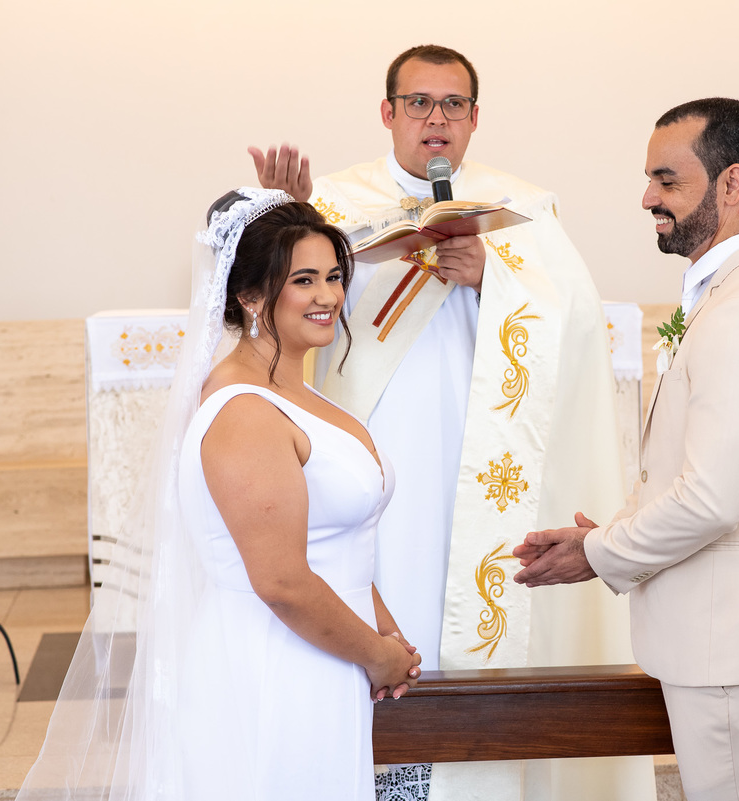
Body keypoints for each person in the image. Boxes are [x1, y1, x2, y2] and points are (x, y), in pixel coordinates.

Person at [251, 45, 631, 801]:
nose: (437, 120)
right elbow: (272, 306)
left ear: (476, 118)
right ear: (388, 113)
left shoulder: (525, 210)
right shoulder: (332, 205)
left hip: (488, 474)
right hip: (373, 467)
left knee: (472, 618)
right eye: (419, 103)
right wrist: (278, 218)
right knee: (388, 611)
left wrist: (498, 274)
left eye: (453, 104)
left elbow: (581, 321)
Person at [16, 188, 420, 801]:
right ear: (251, 296)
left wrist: (390, 642)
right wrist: (377, 655)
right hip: (274, 667)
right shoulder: (243, 413)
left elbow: (343, 547)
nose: (329, 298)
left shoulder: (299, 393)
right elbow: (282, 581)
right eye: (304, 280)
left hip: (326, 657)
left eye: (335, 278)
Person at [513, 98, 739, 801]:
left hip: (736, 646)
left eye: (667, 180)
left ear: (731, 183)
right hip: (726, 639)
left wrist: (599, 553)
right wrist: (618, 532)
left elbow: (713, 499)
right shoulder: (727, 294)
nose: (647, 198)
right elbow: (685, 473)